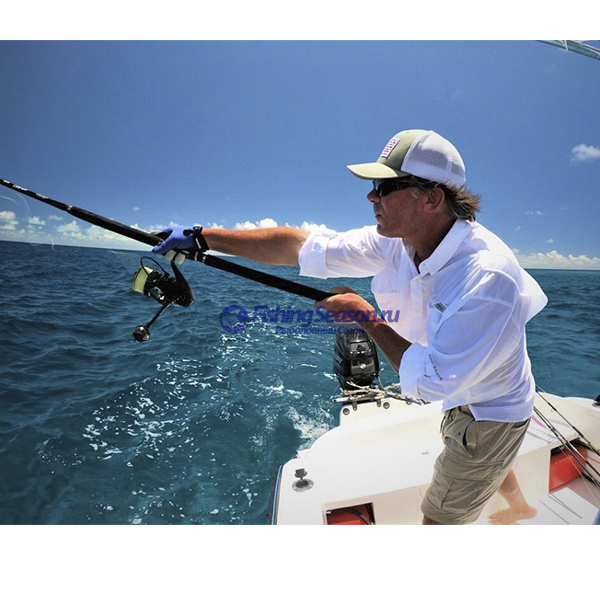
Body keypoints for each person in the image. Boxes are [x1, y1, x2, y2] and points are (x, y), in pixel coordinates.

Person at [153, 128, 547, 525]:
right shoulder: (398, 240)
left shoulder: (486, 275)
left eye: (384, 187)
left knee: (444, 510)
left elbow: (434, 384)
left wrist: (364, 316)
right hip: (462, 387)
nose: (371, 197)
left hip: (491, 409)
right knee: (483, 456)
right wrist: (202, 238)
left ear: (431, 198)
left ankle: (506, 504)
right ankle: (520, 506)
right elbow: (302, 247)